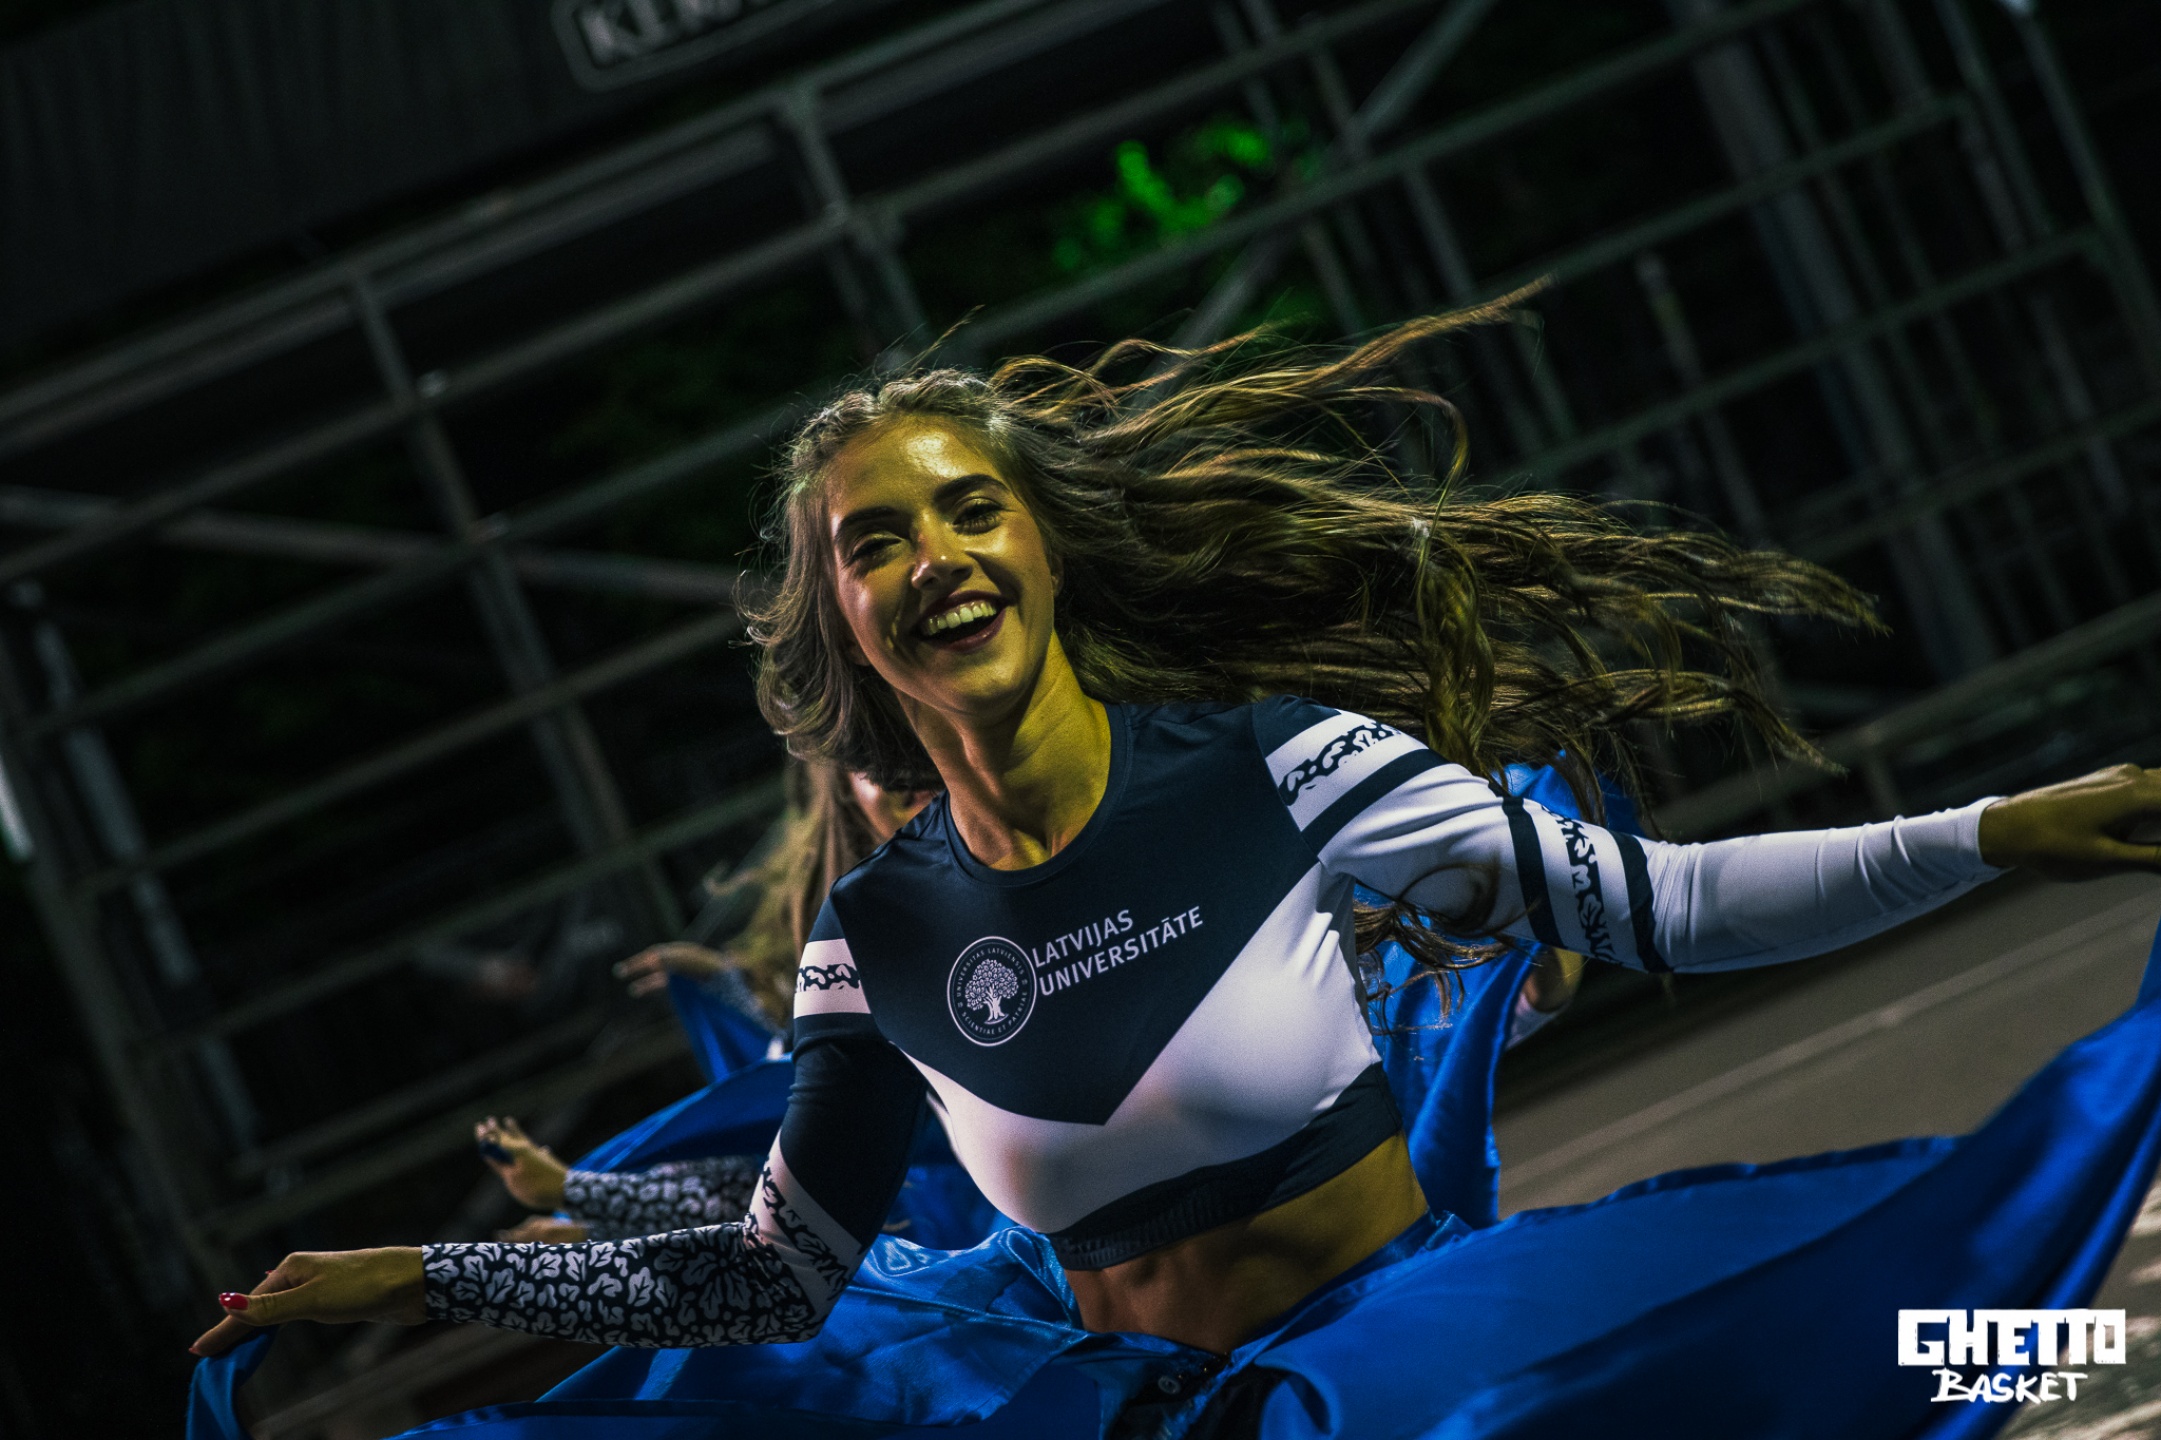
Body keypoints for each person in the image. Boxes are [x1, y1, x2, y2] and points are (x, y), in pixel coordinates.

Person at [188, 311, 2161, 1436]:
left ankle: (2106, 1331)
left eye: (971, 510)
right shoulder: (872, 940)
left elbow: (1662, 908)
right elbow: (777, 1270)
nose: (934, 557)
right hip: (1138, 1412)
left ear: (1045, 551)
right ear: (842, 616)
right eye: (876, 542)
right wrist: (429, 1270)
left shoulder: (1278, 764)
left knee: (1915, 1309)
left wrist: (1995, 831)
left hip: (1405, 1361)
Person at [476, 763, 939, 1243]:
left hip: (930, 1160)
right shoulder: (857, 912)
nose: (910, 783)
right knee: (781, 1146)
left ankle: (592, 1211)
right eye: (875, 763)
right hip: (906, 1161)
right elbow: (793, 1087)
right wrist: (722, 987)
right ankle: (595, 1214)